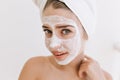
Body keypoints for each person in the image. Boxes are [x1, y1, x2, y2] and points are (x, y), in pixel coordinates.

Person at [18, 0, 112, 80]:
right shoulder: (35, 67)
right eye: (48, 31)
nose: (53, 44)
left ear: (86, 32)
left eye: (65, 31)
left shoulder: (104, 77)